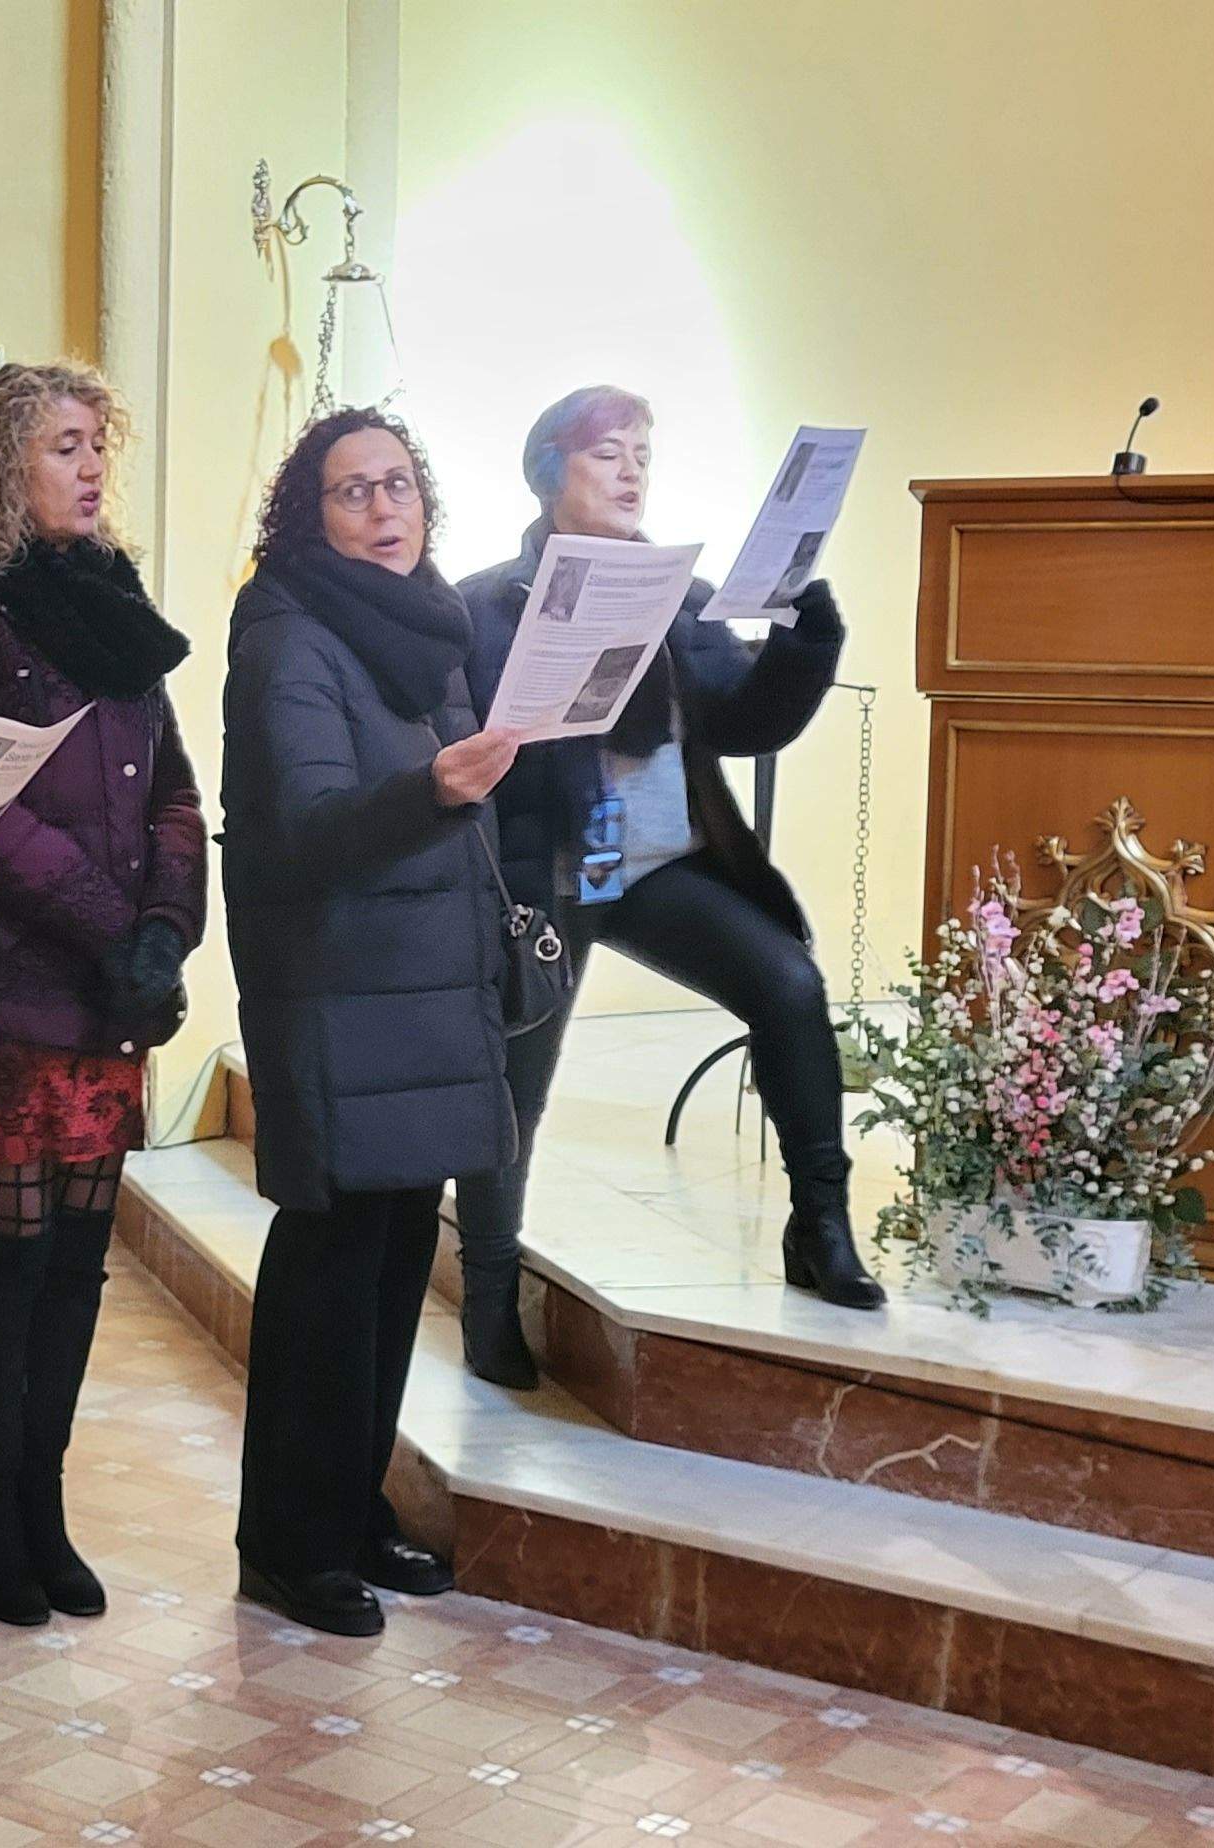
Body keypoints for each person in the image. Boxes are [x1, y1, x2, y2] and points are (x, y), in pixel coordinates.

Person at [453, 387, 878, 1394]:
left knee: (788, 984)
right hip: (544, 876)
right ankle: (486, 1297)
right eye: (609, 453)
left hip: (657, 868)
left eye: (644, 453)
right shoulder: (483, 605)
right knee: (516, 1087)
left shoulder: (684, 596)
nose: (632, 471)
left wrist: (805, 636)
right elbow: (460, 746)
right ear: (549, 472)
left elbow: (743, 722)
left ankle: (820, 1226)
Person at [0, 363, 203, 1628]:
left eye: (97, 444)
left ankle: (43, 1504)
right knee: (11, 1252)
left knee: (77, 1255)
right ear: (4, 461)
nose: (91, 466)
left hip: (110, 980)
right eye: (65, 445)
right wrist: (114, 925)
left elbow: (172, 787)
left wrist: (165, 926)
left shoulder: (108, 591)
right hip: (4, 971)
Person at [219, 405, 523, 1640]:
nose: (384, 509)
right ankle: (286, 1546)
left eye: (398, 484)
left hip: (423, 989)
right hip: (336, 990)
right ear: (311, 515)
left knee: (396, 1267)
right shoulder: (287, 635)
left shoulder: (425, 625)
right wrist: (431, 791)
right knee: (329, 1274)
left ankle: (350, 1510)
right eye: (352, 491)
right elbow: (303, 831)